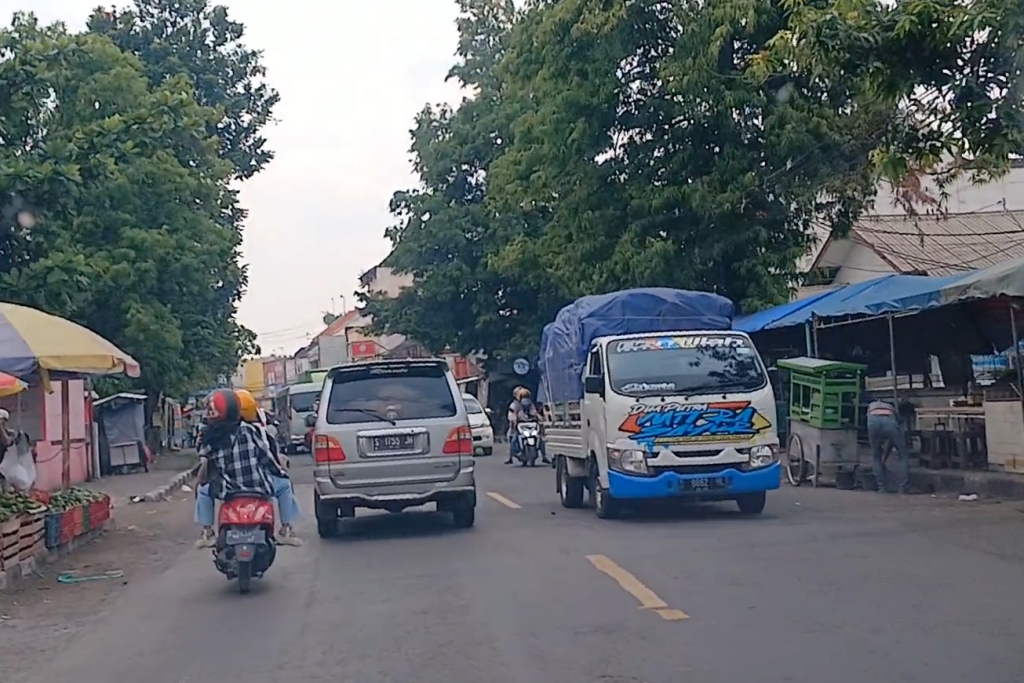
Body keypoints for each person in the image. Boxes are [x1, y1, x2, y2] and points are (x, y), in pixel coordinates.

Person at [193, 389, 302, 548]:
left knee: (203, 490)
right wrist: (281, 472)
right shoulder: (249, 429)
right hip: (258, 486)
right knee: (284, 485)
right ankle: (286, 530)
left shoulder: (212, 437)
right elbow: (266, 458)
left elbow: (203, 454)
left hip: (227, 489)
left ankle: (207, 532)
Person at [866, 394, 910, 493]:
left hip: (872, 422)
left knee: (876, 455)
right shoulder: (891, 407)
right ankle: (903, 487)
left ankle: (881, 488)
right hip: (889, 422)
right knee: (903, 455)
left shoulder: (871, 405)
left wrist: (882, 457)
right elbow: (892, 438)